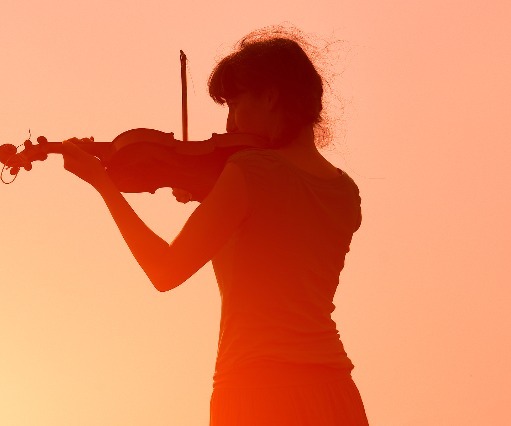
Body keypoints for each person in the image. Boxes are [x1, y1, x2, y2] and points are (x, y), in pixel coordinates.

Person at [60, 28, 369, 425]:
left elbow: (165, 269)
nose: (228, 124)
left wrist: (102, 183)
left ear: (271, 97)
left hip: (258, 389)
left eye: (234, 104)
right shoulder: (344, 191)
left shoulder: (250, 171)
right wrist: (217, 197)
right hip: (334, 393)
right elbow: (277, 238)